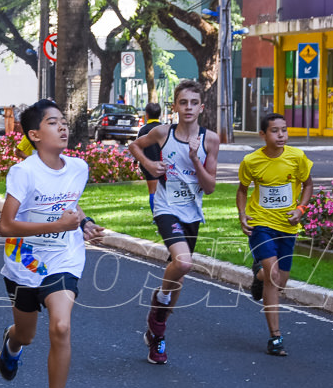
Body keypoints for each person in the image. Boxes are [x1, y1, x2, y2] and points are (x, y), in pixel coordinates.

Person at [0, 99, 105, 388]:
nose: (63, 127)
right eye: (53, 122)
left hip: (63, 258)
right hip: (25, 261)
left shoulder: (78, 168)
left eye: (64, 121)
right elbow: (6, 226)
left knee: (60, 325)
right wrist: (56, 224)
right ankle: (12, 344)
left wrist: (83, 222)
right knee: (26, 334)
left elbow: (69, 204)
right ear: (35, 134)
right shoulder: (24, 172)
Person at [127, 80, 219, 365]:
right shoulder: (162, 133)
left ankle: (157, 333)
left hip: (192, 213)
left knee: (179, 274)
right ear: (175, 106)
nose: (188, 107)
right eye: (183, 102)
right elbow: (134, 146)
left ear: (201, 107)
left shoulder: (210, 139)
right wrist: (150, 166)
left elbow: (211, 186)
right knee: (183, 263)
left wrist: (195, 159)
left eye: (194, 103)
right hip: (166, 208)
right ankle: (159, 306)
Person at [236, 113, 314, 357]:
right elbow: (242, 190)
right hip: (260, 224)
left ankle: (258, 275)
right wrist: (242, 214)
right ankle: (275, 338)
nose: (281, 135)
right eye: (275, 131)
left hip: (287, 226)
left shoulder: (297, 157)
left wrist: (301, 209)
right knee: (273, 274)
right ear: (263, 134)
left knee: (279, 281)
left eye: (284, 130)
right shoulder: (251, 161)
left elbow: (308, 184)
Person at [135, 102, 163, 213]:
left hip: (148, 164)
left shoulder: (143, 130)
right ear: (159, 114)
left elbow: (138, 147)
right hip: (164, 163)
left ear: (146, 115)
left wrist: (136, 161)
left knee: (152, 191)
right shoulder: (165, 128)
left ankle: (156, 215)